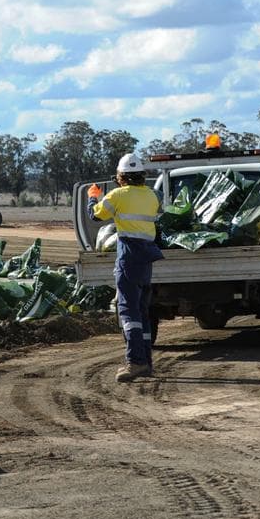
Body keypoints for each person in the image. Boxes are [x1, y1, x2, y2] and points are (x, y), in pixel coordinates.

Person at [88, 153, 164, 383]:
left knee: (128, 310)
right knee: (142, 310)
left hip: (129, 255)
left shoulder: (118, 194)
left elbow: (95, 216)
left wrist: (93, 197)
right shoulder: (152, 196)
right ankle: (146, 362)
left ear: (121, 177)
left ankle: (136, 362)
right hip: (147, 256)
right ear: (142, 175)